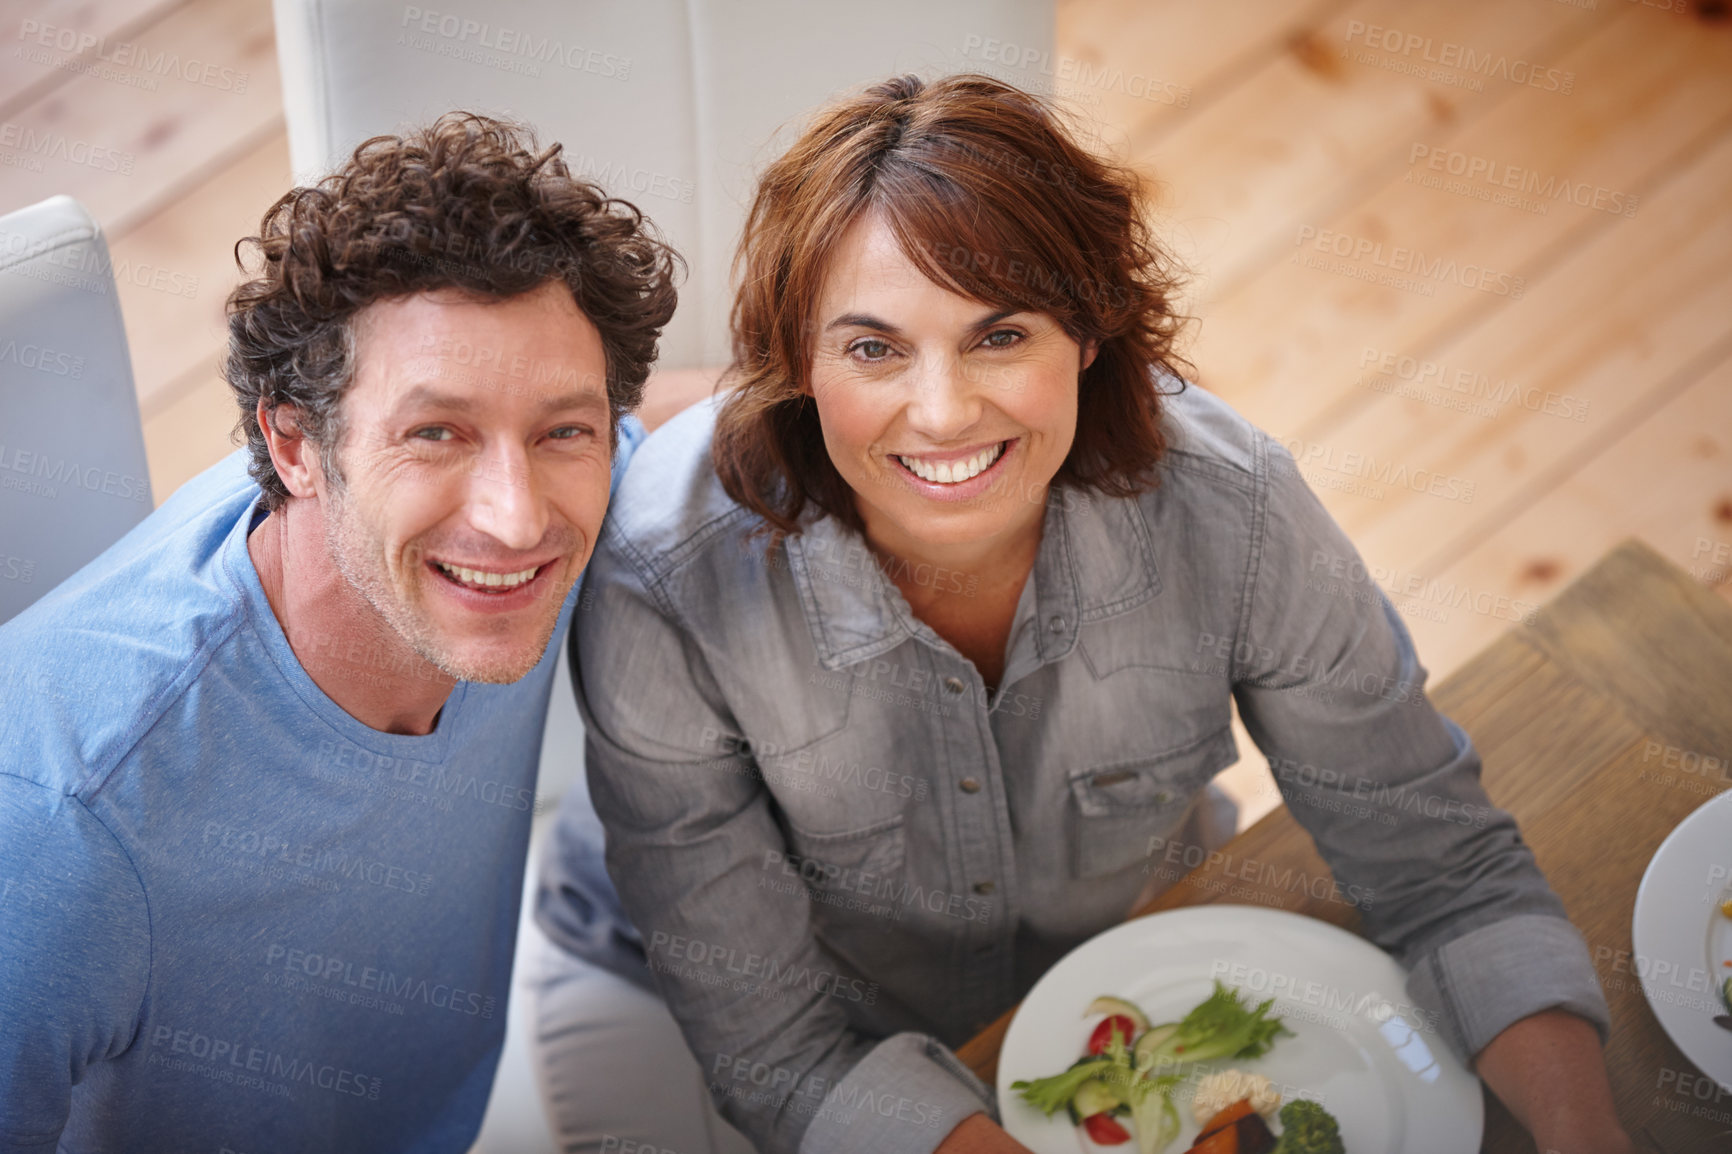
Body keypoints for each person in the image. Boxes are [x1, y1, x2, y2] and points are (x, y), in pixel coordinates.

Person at [535, 72, 1635, 1154]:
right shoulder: (659, 574)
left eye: (1000, 335)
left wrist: (1586, 1130)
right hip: (686, 998)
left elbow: (1438, 866)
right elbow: (775, 1047)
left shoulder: (1233, 507)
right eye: (872, 347)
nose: (942, 411)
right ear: (795, 363)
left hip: (1111, 966)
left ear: (1091, 332)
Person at [0, 113, 676, 1152]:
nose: (516, 514)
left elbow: (674, 421)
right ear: (295, 443)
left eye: (562, 429)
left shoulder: (509, 539)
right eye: (435, 433)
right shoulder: (64, 822)